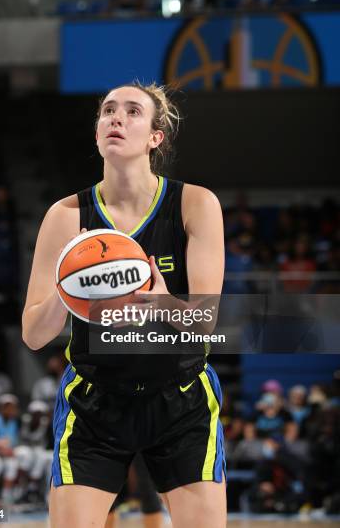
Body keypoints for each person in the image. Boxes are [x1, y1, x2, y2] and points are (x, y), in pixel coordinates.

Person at [22, 82, 226, 527]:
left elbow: (205, 322)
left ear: (156, 137)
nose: (116, 117)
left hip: (180, 397)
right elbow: (34, 335)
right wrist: (69, 287)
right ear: (97, 133)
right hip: (96, 401)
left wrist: (160, 299)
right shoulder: (66, 216)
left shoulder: (195, 204)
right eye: (108, 111)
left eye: (133, 111)